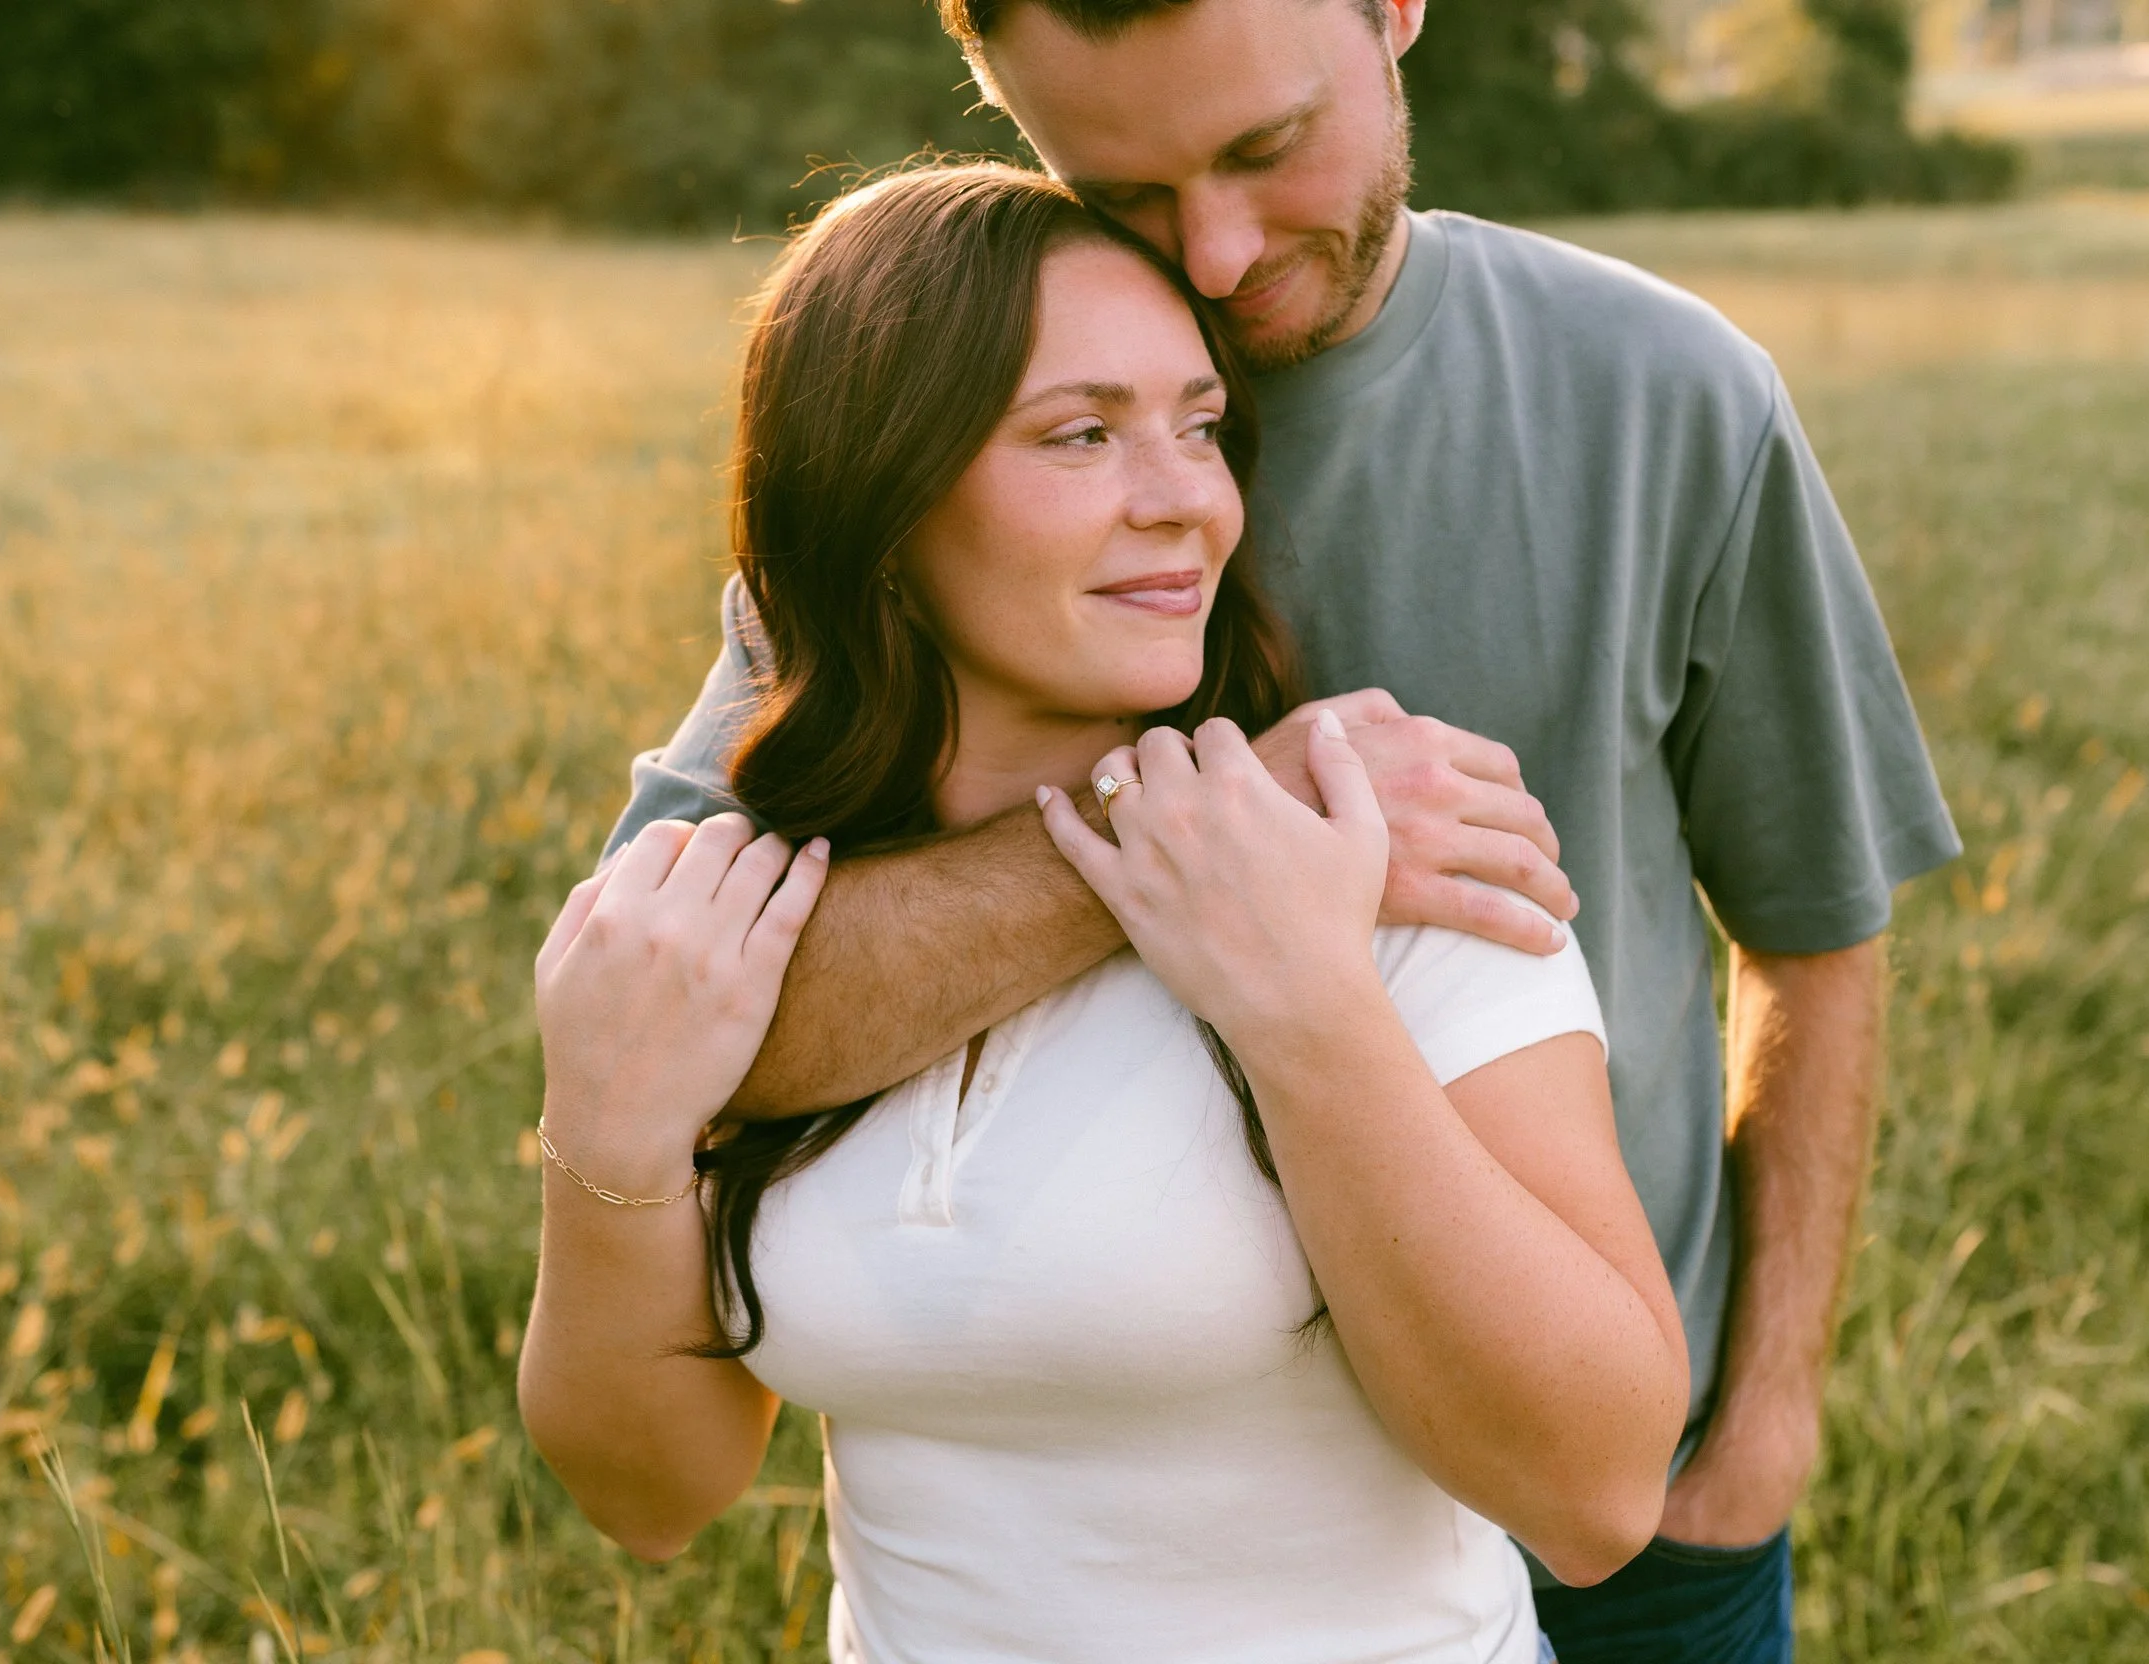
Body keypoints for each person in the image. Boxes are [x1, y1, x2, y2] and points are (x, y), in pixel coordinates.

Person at [608, 2, 1963, 1657]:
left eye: (1263, 149)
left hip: (1616, 1487)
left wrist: (1759, 1437)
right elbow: (669, 1021)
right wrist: (1195, 836)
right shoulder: (953, 426)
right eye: (1120, 191)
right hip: (1145, 1503)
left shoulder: (1669, 397)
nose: (1222, 252)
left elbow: (1813, 928)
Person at [518, 162, 1691, 1664]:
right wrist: (609, 1146)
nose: (1187, 501)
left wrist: (1305, 1010)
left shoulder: (1382, 846)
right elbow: (651, 1494)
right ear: (878, 498)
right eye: (1082, 435)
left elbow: (1596, 1496)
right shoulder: (762, 924)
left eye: (1201, 428)